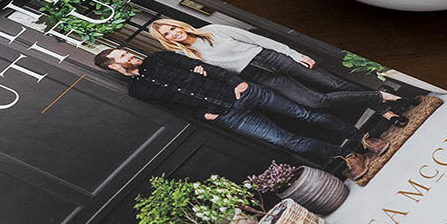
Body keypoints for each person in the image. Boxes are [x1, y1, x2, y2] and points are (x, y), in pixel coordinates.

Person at [93, 47, 361, 168]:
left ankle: (359, 136)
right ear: (114, 66)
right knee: (285, 140)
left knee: (305, 114)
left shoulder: (158, 59)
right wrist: (202, 114)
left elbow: (204, 67)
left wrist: (237, 82)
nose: (129, 55)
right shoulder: (137, 91)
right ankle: (344, 155)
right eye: (122, 56)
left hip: (244, 92)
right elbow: (172, 108)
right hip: (227, 115)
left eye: (125, 51)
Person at [147, 18, 384, 111]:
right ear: (165, 40)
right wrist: (202, 74)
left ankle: (384, 109)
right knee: (314, 101)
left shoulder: (213, 30)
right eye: (167, 34)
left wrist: (293, 54)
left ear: (178, 25)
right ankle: (381, 97)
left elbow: (257, 40)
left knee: (333, 84)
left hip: (270, 58)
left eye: (172, 28)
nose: (173, 33)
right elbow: (218, 74)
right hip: (259, 77)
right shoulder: (188, 57)